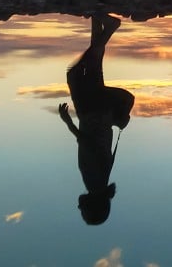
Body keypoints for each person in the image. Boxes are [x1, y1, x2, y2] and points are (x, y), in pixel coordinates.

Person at [58, 14, 134, 225]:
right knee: (74, 73)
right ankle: (110, 27)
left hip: (101, 113)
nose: (79, 207)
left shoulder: (102, 181)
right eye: (83, 212)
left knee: (93, 65)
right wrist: (68, 122)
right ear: (92, 206)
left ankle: (96, 17)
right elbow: (88, 143)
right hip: (90, 113)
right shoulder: (93, 182)